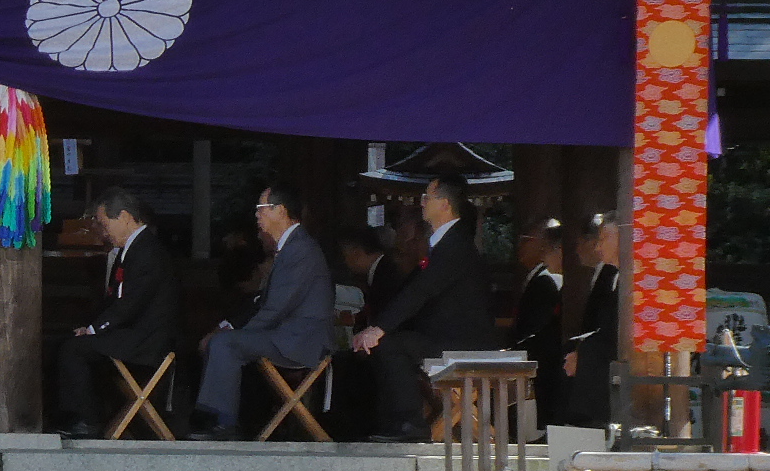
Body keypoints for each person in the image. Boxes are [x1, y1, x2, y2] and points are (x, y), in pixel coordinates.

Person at [352, 174, 495, 440]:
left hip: (462, 341)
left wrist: (378, 329)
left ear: (445, 204)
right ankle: (395, 422)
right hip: (444, 336)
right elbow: (414, 290)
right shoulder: (445, 242)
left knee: (390, 345)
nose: (422, 203)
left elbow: (421, 291)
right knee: (389, 343)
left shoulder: (456, 244)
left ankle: (410, 425)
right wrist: (377, 326)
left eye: (427, 197)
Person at [188, 182, 335, 439]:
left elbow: (276, 308)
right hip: (287, 335)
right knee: (227, 341)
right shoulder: (291, 246)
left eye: (261, 208)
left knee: (226, 344)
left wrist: (241, 334)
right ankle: (212, 417)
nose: (256, 215)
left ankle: (222, 422)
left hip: (299, 340)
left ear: (280, 210)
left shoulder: (299, 248)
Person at [55, 188, 180, 440]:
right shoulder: (131, 249)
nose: (103, 232)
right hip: (132, 333)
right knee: (68, 343)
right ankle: (74, 415)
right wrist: (89, 326)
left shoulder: (147, 251)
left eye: (104, 224)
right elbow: (113, 300)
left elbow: (130, 304)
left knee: (75, 350)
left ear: (124, 217)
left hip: (147, 340)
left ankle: (86, 421)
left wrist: (94, 330)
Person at [564, 216, 621, 427]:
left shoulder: (634, 277)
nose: (598, 246)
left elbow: (616, 333)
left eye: (605, 238)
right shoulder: (616, 276)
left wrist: (583, 354)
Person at [510, 218, 567, 426]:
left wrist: (522, 349)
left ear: (543, 243)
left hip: (543, 361)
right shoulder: (537, 276)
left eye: (526, 240)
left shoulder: (548, 279)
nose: (520, 246)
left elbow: (541, 327)